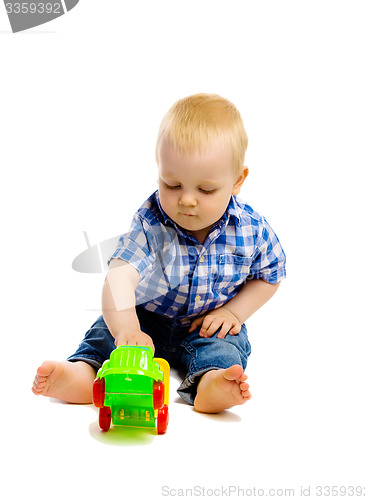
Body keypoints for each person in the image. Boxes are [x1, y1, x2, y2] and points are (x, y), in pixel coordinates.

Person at [32, 93, 286, 413]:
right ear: (159, 173)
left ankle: (211, 383)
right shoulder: (151, 222)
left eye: (205, 189)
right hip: (145, 319)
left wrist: (234, 313)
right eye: (172, 184)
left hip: (206, 323)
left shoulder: (251, 229)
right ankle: (85, 374)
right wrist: (126, 327)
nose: (187, 200)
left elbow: (270, 275)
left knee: (226, 346)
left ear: (237, 181)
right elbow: (120, 277)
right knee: (104, 336)